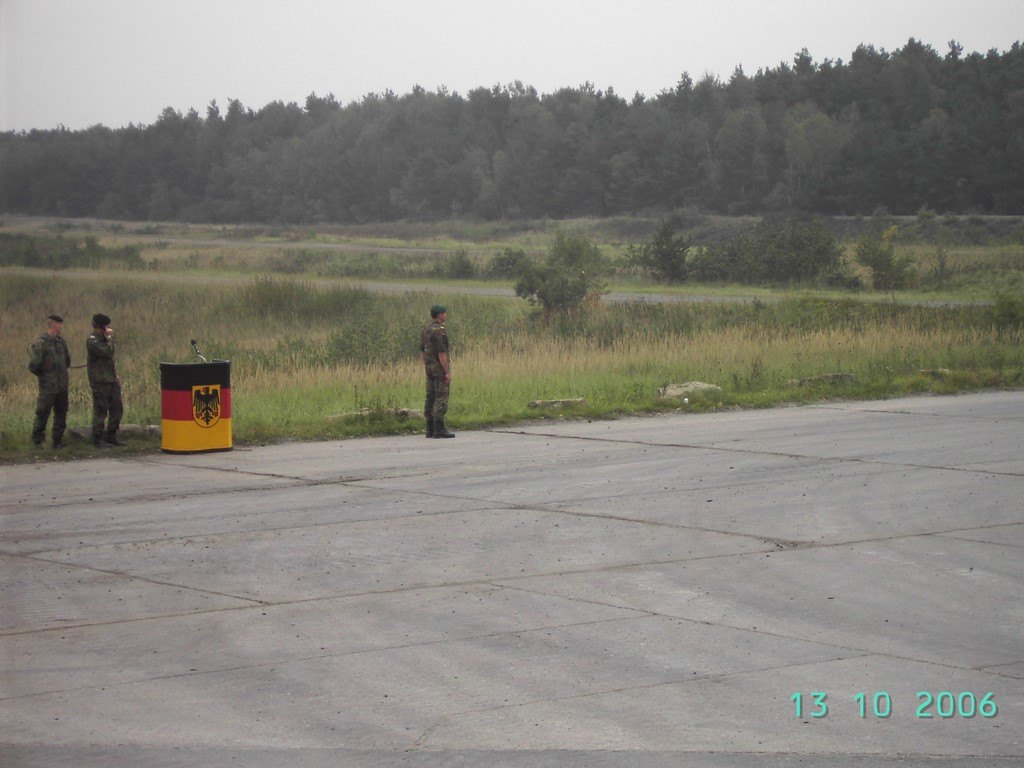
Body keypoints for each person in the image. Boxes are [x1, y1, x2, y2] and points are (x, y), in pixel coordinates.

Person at [28, 314, 71, 449]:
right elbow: (34, 365)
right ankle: (37, 442)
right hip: (48, 386)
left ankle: (57, 441)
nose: (61, 326)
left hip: (62, 385)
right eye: (59, 324)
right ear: (53, 324)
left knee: (61, 413)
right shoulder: (41, 343)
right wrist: (45, 375)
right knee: (42, 413)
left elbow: (67, 360)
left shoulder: (61, 342)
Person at [86, 313, 125, 447]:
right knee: (100, 410)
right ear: (101, 327)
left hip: (111, 379)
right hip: (100, 381)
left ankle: (111, 435)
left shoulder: (103, 339)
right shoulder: (93, 341)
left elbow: (110, 359)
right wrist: (109, 338)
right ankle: (97, 438)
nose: (108, 328)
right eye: (106, 326)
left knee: (117, 408)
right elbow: (107, 352)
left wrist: (115, 376)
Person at [420, 304, 455, 438]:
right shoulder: (439, 331)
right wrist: (447, 371)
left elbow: (422, 351)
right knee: (441, 396)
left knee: (430, 396)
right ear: (440, 315)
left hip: (429, 368)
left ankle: (429, 427)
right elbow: (442, 353)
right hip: (438, 368)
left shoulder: (426, 330)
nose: (445, 315)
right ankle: (438, 428)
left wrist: (427, 365)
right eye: (444, 313)